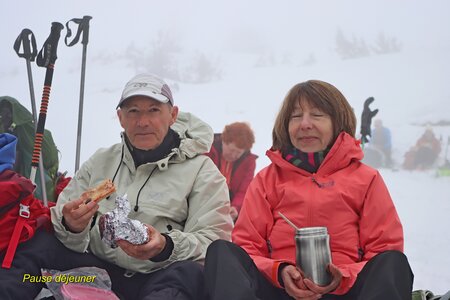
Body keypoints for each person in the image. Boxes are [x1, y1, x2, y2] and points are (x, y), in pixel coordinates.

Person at [0, 73, 233, 299]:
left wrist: (165, 245)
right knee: (40, 245)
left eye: (154, 110)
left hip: (158, 277)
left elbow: (213, 241)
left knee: (190, 274)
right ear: (121, 118)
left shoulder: (202, 171)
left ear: (173, 115)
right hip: (97, 273)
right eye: (133, 111)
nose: (143, 122)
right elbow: (62, 221)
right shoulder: (101, 161)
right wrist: (72, 226)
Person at [204, 80, 413, 300]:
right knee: (222, 252)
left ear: (337, 122)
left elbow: (383, 246)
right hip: (278, 290)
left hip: (345, 292)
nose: (304, 124)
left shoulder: (366, 178)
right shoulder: (268, 179)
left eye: (317, 115)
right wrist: (280, 271)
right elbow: (247, 246)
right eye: (295, 116)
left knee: (392, 262)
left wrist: (343, 275)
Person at [0, 96, 60, 202]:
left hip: (36, 192)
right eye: (3, 115)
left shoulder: (33, 134)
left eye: (8, 114)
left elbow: (49, 158)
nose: (6, 118)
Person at [205, 122, 257, 221]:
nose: (233, 155)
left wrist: (235, 207)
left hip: (231, 203)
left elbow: (244, 190)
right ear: (223, 141)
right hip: (206, 197)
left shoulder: (249, 162)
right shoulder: (207, 150)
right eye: (232, 150)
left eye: (238, 152)